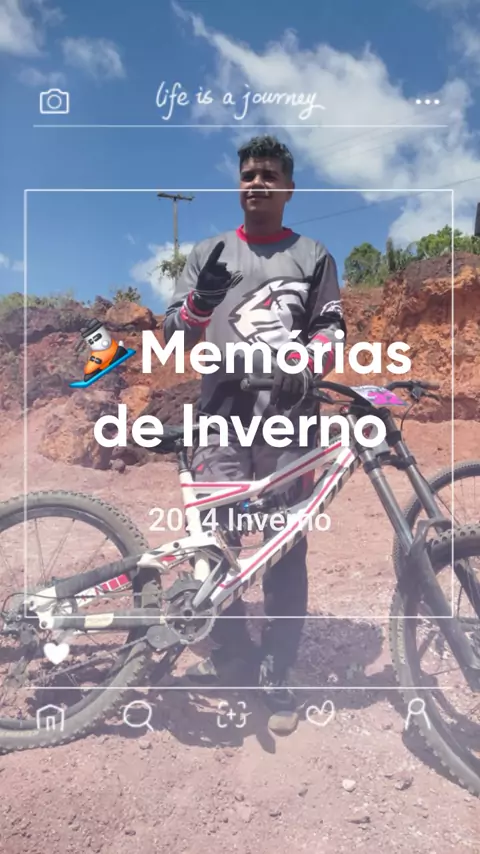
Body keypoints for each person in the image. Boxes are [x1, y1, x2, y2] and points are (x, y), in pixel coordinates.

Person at [163, 135, 346, 733]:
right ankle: (232, 654)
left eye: (268, 175)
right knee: (218, 543)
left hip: (291, 424)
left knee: (286, 547)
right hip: (220, 419)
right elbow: (174, 335)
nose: (256, 183)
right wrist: (199, 303)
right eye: (247, 174)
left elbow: (332, 330)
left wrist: (305, 363)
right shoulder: (209, 252)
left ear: (289, 188)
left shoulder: (314, 255)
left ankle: (278, 665)